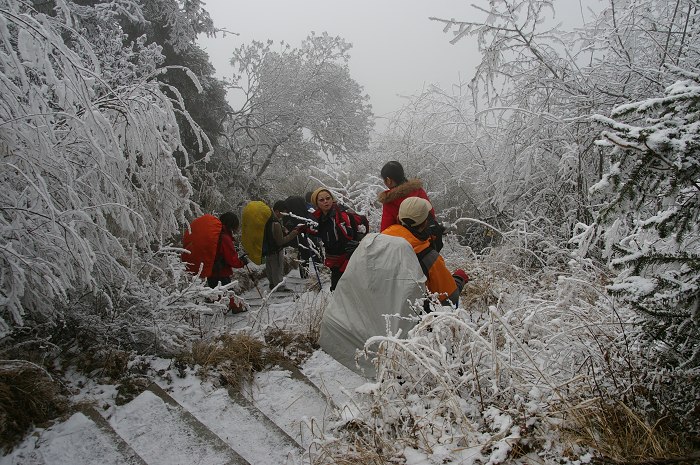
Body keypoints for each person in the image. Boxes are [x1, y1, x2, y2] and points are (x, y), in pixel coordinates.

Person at [382, 197, 468, 307]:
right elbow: (450, 296)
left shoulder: (379, 240)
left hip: (375, 311)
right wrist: (459, 278)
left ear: (398, 218)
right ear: (425, 223)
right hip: (410, 318)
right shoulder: (428, 257)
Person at [378, 160, 446, 251]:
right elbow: (431, 214)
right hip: (427, 243)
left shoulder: (390, 201)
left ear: (389, 180)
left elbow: (385, 232)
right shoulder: (418, 190)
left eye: (384, 180)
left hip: (406, 248)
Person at [309, 187, 359, 291]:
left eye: (328, 198)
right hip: (334, 260)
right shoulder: (320, 219)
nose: (326, 201)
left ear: (332, 199)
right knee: (337, 290)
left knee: (341, 290)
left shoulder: (341, 215)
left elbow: (351, 235)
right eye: (321, 200)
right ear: (317, 204)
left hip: (347, 258)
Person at [264, 200, 302, 290]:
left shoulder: (268, 220)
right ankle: (280, 287)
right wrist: (293, 234)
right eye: (283, 213)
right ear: (277, 211)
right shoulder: (276, 223)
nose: (284, 216)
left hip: (268, 250)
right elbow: (280, 241)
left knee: (270, 267)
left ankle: (272, 284)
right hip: (276, 250)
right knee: (277, 268)